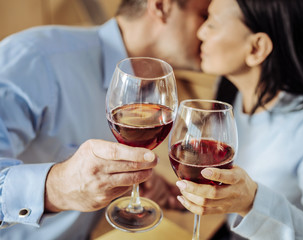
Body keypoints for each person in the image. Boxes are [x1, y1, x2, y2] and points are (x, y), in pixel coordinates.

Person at [0, 0, 209, 239]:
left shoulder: (156, 89)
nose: (209, 31)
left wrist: (124, 184)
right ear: (162, 6)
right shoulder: (34, 58)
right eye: (204, 15)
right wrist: (56, 189)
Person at [174, 0, 303, 239]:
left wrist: (252, 202)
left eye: (213, 23)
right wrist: (182, 194)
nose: (201, 32)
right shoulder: (229, 92)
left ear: (256, 48)